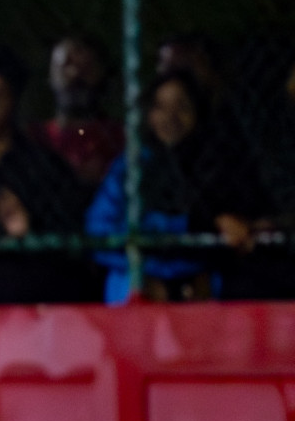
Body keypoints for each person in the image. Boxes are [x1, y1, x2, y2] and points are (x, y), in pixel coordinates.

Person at [85, 71, 271, 303]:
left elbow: (235, 235)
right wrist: (184, 231)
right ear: (148, 114)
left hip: (202, 287)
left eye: (182, 106)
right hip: (140, 282)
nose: (170, 116)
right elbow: (100, 234)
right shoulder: (130, 166)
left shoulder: (219, 166)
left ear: (198, 114)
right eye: (160, 106)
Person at [0, 42, 93, 304]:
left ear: (13, 100)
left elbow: (73, 245)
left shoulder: (43, 167)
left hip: (32, 308)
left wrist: (30, 232)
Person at [34, 35, 124, 190]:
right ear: (51, 75)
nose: (74, 74)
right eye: (65, 65)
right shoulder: (35, 137)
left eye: (86, 68)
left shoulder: (118, 138)